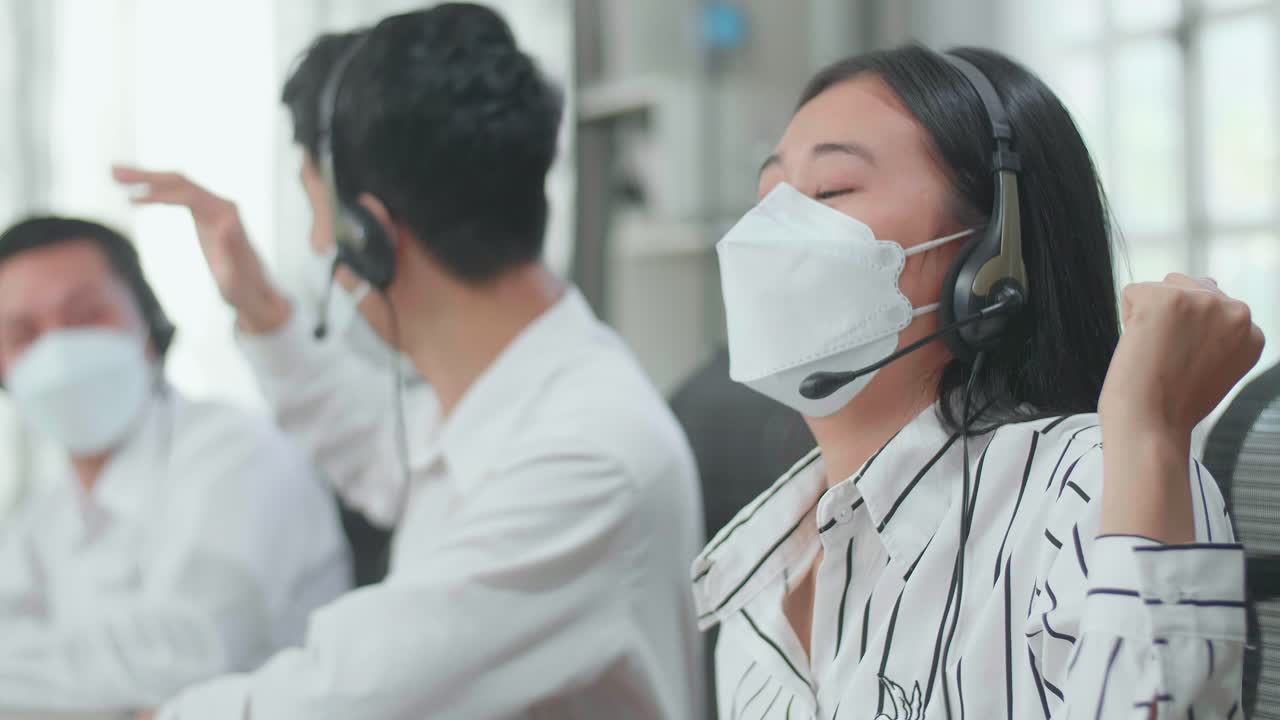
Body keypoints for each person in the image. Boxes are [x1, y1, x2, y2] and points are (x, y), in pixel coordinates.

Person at [117, 5, 705, 718]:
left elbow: (342, 696)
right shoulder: (509, 391)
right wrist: (262, 310)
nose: (318, 245)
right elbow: (372, 443)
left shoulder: (582, 458)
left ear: (368, 234)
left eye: (315, 209)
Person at [691, 45, 1261, 718]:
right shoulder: (753, 579)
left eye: (831, 190)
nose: (771, 232)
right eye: (768, 198)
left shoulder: (1099, 483)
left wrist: (1151, 433)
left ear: (993, 258)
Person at [0, 216, 350, 716]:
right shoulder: (41, 516)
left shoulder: (240, 454)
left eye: (85, 316)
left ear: (148, 323)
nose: (56, 352)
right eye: (22, 334)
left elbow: (191, 649)